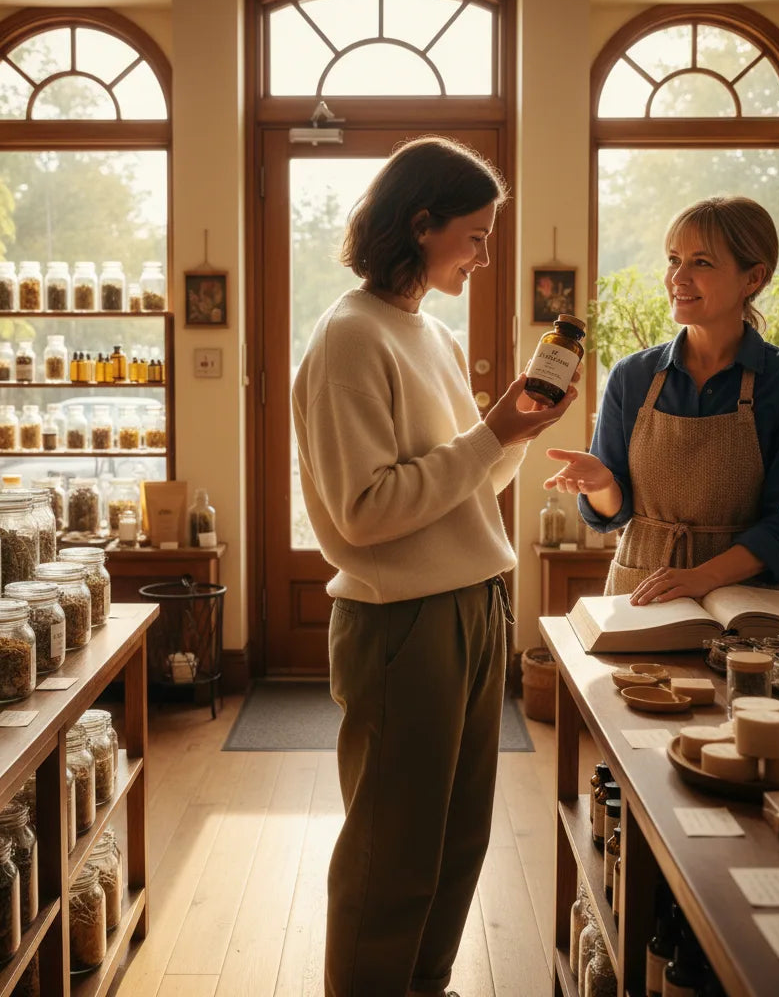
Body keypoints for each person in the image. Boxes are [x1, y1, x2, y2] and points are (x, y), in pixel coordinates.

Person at [292, 136, 578, 997]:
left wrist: (515, 433)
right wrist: (491, 433)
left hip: (473, 603)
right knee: (393, 848)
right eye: (477, 236)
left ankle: (426, 984)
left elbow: (469, 483)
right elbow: (367, 512)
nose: (485, 256)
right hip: (402, 619)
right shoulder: (348, 336)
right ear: (422, 225)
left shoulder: (433, 336)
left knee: (457, 836)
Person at [546, 195, 779, 604]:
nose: (678, 277)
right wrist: (602, 484)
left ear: (752, 279)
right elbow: (613, 512)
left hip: (749, 602)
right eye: (673, 259)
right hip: (642, 589)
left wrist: (703, 578)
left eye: (701, 262)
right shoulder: (633, 376)